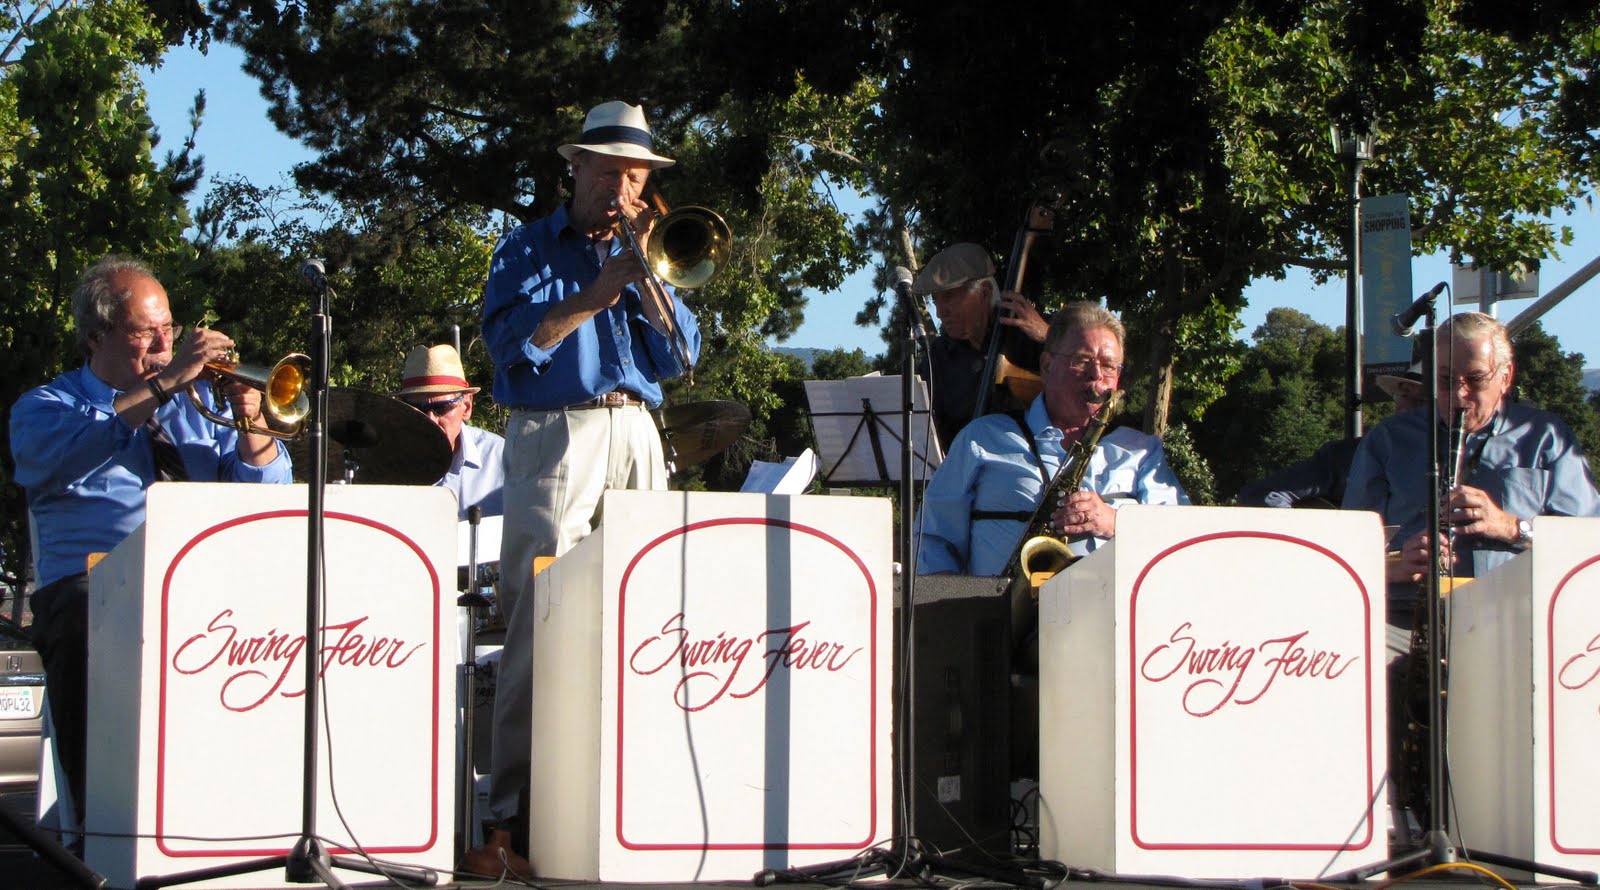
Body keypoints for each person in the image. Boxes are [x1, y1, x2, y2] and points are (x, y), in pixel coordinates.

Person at [471, 100, 699, 876]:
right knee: (540, 622)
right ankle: (510, 819)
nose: (622, 187)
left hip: (639, 430)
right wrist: (590, 298)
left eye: (635, 175)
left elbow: (682, 359)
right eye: (608, 171)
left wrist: (646, 277)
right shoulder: (524, 248)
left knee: (648, 614)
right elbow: (507, 353)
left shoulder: (649, 249)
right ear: (574, 169)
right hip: (557, 432)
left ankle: (633, 796)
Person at [10, 255, 293, 820]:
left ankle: (246, 816)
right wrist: (166, 384)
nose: (166, 344)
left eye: (170, 328)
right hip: (96, 594)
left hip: (205, 593)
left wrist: (253, 423)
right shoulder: (46, 407)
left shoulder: (199, 408)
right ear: (96, 336)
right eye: (146, 332)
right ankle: (104, 830)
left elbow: (266, 494)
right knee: (92, 610)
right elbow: (77, 452)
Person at [1344, 312, 1600, 619]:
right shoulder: (1388, 439)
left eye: (1475, 379)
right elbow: (1350, 549)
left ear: (1505, 378)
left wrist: (1511, 527)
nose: (1459, 395)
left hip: (1512, 616)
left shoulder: (1545, 437)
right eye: (1445, 380)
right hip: (1407, 616)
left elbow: (1588, 541)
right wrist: (1396, 565)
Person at [917, 301, 1189, 578]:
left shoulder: (1141, 452)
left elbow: (1183, 538)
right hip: (998, 614)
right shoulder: (982, 439)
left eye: (1109, 366)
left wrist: (1114, 522)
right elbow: (932, 539)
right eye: (1082, 360)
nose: (1096, 375)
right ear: (1047, 366)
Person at [1236, 361, 1427, 509]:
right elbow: (1260, 495)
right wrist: (1321, 542)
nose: (1405, 409)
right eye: (1403, 395)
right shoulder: (1345, 456)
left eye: (1421, 401)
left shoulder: (1453, 464)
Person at [914, 242, 1049, 452]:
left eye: (949, 297)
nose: (940, 312)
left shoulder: (1032, 336)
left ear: (984, 292)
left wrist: (1049, 336)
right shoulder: (938, 357)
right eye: (936, 300)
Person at [393, 344, 505, 521]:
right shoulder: (385, 462)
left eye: (441, 408)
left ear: (466, 406)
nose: (430, 420)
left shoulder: (502, 460)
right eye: (417, 409)